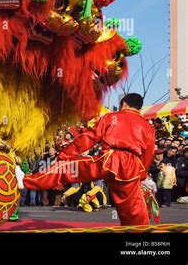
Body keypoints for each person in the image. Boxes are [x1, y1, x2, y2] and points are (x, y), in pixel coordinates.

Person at [24, 93, 156, 225]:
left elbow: (90, 138)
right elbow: (148, 154)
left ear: (124, 104)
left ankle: (27, 181)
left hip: (109, 160)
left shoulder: (111, 117)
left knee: (67, 168)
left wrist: (64, 155)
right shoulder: (147, 126)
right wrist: (141, 175)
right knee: (133, 207)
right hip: (132, 168)